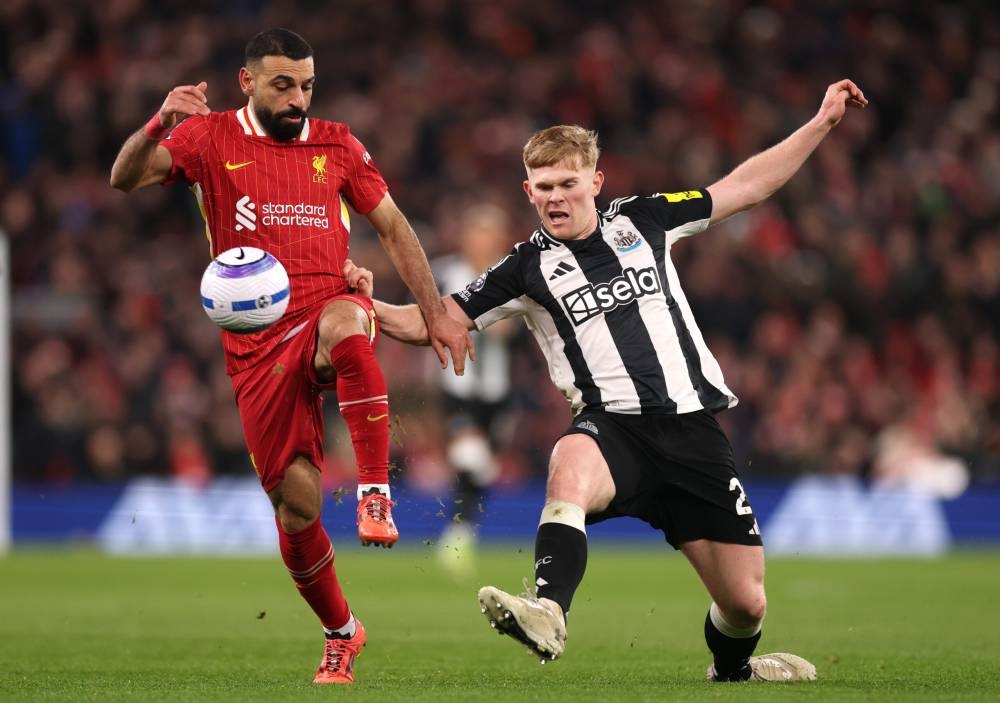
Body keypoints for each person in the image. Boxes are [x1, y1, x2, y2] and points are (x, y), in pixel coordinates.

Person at [370, 79, 867, 681]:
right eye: (544, 187)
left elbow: (745, 186)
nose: (556, 197)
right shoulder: (523, 269)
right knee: (568, 464)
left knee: (746, 603)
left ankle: (734, 668)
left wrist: (822, 123)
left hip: (690, 430)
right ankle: (548, 611)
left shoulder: (645, 219)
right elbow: (433, 321)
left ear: (595, 182)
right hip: (612, 430)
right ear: (528, 191)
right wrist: (362, 305)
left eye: (568, 183)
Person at [109, 28, 471, 685]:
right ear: (247, 82)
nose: (298, 98)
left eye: (306, 85)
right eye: (283, 85)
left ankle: (375, 492)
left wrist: (437, 311)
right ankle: (342, 632)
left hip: (330, 306)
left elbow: (393, 226)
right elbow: (124, 176)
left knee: (346, 324)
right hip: (255, 346)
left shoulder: (339, 144)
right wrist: (159, 121)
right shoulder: (207, 137)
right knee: (297, 508)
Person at [430, 203, 517, 573]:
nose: (482, 241)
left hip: (498, 392)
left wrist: (508, 327)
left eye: (489, 234)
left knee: (484, 470)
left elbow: (519, 331)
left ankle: (461, 530)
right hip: (458, 388)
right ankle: (458, 537)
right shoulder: (446, 273)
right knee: (469, 456)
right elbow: (426, 317)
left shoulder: (511, 276)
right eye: (477, 233)